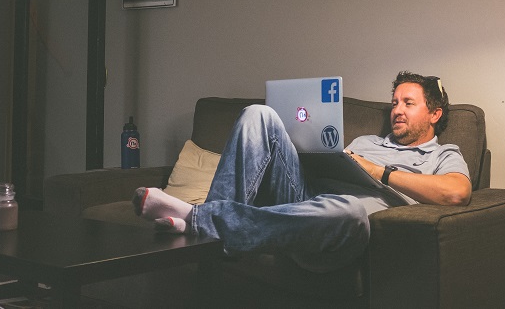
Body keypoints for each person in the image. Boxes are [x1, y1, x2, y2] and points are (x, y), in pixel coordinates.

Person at [133, 71, 471, 272]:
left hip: (338, 229)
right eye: (395, 102)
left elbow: (456, 193)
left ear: (435, 114)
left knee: (350, 209)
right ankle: (211, 229)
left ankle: (200, 220)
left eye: (408, 103)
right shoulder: (367, 140)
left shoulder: (442, 155)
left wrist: (377, 171)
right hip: (301, 197)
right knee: (258, 115)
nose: (397, 110)